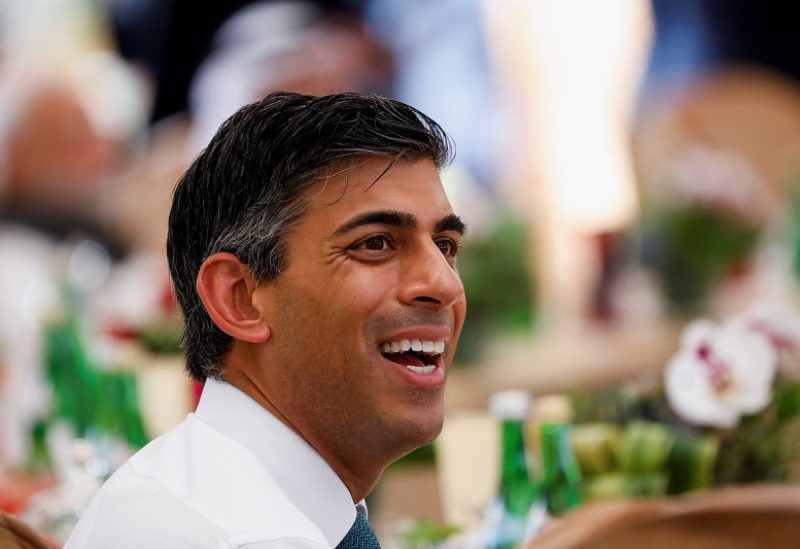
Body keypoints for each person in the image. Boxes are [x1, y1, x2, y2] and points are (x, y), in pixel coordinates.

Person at [65, 91, 467, 548]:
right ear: (239, 298)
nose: (446, 285)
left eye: (446, 246)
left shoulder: (206, 490)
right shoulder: (251, 536)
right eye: (375, 243)